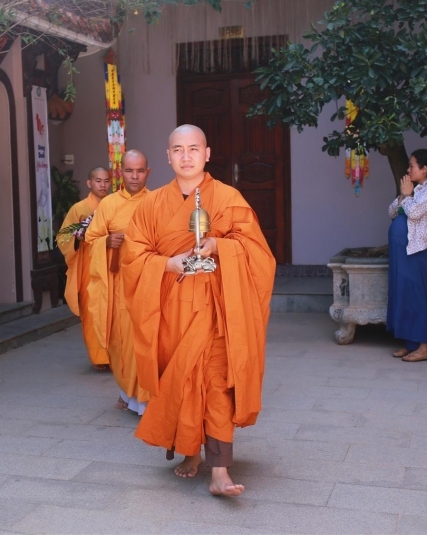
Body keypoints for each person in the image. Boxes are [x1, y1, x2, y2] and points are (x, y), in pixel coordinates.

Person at [122, 124, 275, 496]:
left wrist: (220, 246)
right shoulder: (151, 206)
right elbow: (133, 258)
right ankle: (191, 451)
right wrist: (167, 264)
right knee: (183, 383)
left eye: (194, 149)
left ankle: (220, 470)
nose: (186, 156)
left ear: (207, 154)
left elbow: (258, 252)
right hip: (172, 311)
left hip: (218, 309)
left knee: (216, 382)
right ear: (168, 156)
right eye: (178, 149)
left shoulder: (228, 198)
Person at [85, 150, 152, 414]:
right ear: (120, 173)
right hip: (118, 285)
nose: (134, 176)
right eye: (129, 171)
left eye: (140, 171)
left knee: (146, 341)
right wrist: (106, 241)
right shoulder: (109, 204)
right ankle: (126, 392)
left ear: (148, 172)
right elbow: (91, 240)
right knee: (121, 341)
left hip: (148, 284)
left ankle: (146, 401)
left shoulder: (157, 201)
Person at [387, 149, 427, 362]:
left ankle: (424, 347)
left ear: (424, 169)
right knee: (404, 293)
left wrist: (407, 195)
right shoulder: (413, 189)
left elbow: (413, 212)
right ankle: (410, 342)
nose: (408, 169)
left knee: (419, 295)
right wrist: (404, 195)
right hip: (403, 251)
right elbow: (391, 212)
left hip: (419, 249)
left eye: (412, 166)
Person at [57, 166, 111, 371]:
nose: (103, 185)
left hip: (111, 265)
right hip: (88, 267)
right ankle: (99, 357)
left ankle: (115, 355)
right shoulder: (79, 209)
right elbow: (63, 237)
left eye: (106, 181)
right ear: (89, 183)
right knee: (92, 312)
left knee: (112, 312)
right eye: (98, 181)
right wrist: (78, 237)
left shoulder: (114, 205)